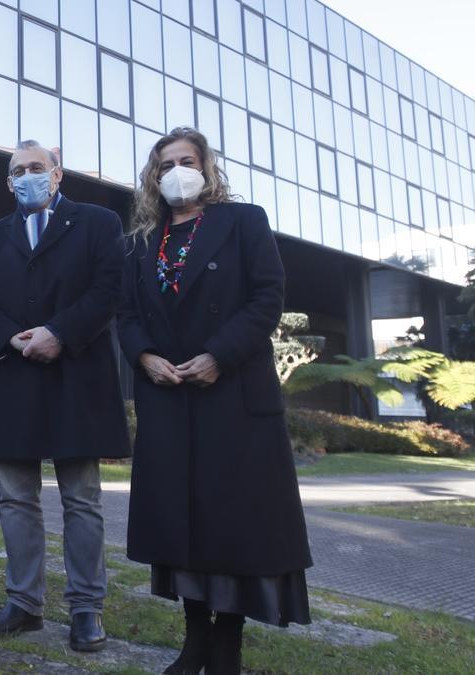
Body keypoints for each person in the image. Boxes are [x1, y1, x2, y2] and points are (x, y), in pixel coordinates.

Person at [117, 127, 313, 675]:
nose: (177, 170)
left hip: (232, 397)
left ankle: (228, 643)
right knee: (181, 526)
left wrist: (218, 355)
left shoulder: (243, 221)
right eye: (165, 164)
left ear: (206, 167)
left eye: (187, 160)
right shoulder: (140, 241)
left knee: (234, 526)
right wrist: (144, 357)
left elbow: (266, 297)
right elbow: (126, 315)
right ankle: (194, 639)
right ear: (153, 177)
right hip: (168, 398)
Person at [0, 140, 131, 652]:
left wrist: (58, 332)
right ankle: (24, 603)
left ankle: (86, 608)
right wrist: (11, 337)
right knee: (15, 498)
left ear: (58, 175)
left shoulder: (100, 223)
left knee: (81, 500)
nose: (28, 175)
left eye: (38, 167)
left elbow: (108, 290)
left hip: (76, 375)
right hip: (13, 376)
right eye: (18, 170)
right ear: (9, 182)